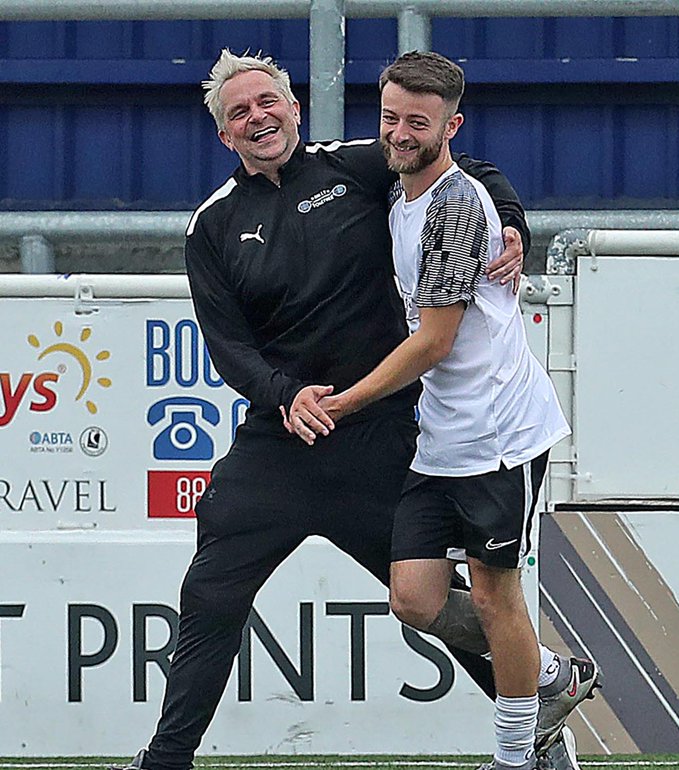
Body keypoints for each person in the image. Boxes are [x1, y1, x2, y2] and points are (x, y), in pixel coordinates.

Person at [111, 50, 596, 770]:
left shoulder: (357, 166)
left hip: (384, 437)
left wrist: (515, 224)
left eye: (267, 102)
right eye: (238, 113)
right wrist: (284, 396)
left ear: (294, 109)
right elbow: (229, 349)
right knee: (209, 596)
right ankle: (166, 759)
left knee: (442, 601)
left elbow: (467, 172)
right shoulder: (210, 227)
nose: (258, 117)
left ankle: (533, 732)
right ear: (225, 137)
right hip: (281, 444)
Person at [287, 51, 574, 770]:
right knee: (414, 599)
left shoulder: (453, 201)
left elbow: (436, 341)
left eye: (418, 121)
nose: (400, 133)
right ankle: (549, 675)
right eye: (390, 118)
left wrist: (344, 402)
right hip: (443, 438)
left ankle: (517, 757)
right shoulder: (399, 193)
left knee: (493, 596)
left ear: (452, 124)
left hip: (501, 436)